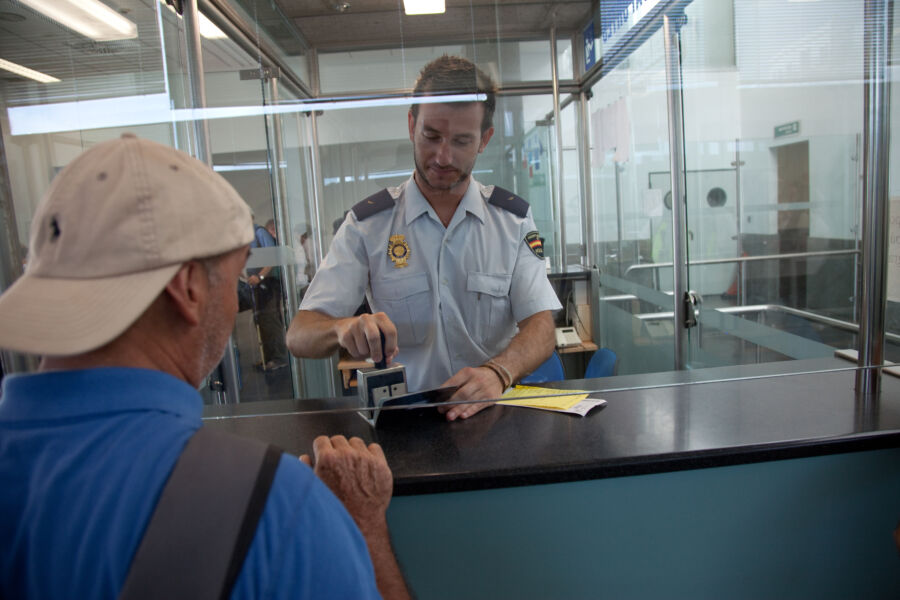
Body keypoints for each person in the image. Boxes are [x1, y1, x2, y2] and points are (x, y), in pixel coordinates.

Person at [0, 134, 410, 600]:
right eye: (236, 271)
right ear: (189, 287)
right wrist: (361, 526)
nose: (237, 293)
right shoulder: (275, 508)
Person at [287, 55, 561, 421]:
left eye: (462, 140)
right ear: (412, 125)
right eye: (431, 136)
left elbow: (542, 328)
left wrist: (499, 373)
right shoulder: (368, 225)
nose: (443, 156)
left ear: (484, 139)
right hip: (407, 423)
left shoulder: (511, 220)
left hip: (494, 415)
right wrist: (341, 328)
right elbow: (298, 335)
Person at [248, 217, 288, 370]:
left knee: (270, 320)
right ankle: (268, 357)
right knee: (262, 320)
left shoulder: (260, 233)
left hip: (268, 284)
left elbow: (272, 259)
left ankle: (278, 357)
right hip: (258, 285)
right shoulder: (250, 236)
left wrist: (259, 277)